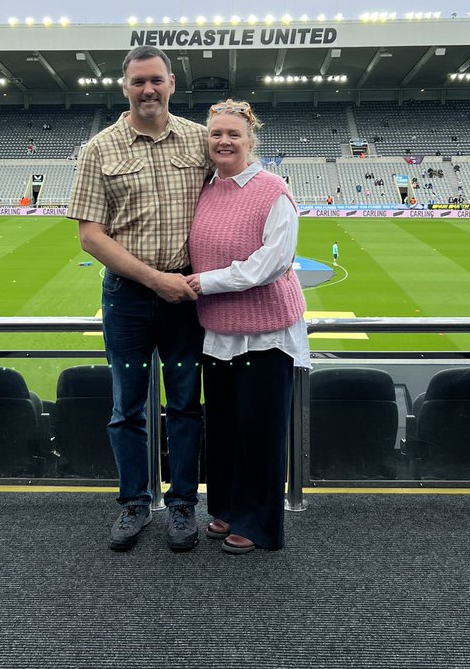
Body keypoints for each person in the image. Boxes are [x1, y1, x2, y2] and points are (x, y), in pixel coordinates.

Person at [67, 47, 208, 552]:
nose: (147, 90)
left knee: (187, 404)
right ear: (123, 86)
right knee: (127, 405)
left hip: (187, 298)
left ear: (172, 83)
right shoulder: (99, 149)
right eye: (137, 82)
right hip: (128, 298)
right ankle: (134, 503)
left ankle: (184, 505)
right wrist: (154, 280)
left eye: (156, 80)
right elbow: (91, 236)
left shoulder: (200, 140)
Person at [185, 100, 310, 554]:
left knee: (259, 430)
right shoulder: (206, 188)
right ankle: (224, 508)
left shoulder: (271, 187)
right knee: (222, 428)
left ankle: (258, 524)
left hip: (266, 329)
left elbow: (273, 262)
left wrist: (207, 282)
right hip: (218, 330)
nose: (223, 141)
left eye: (233, 134)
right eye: (216, 133)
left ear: (249, 140)